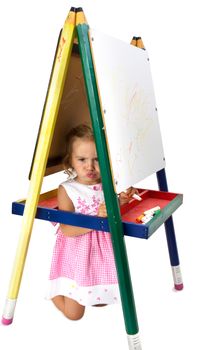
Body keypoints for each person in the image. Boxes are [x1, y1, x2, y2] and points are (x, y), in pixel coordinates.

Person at [46, 124, 139, 320]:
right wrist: (96, 218)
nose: (90, 166)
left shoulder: (107, 183)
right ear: (70, 161)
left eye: (97, 159)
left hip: (102, 253)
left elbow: (111, 209)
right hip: (77, 255)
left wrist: (123, 198)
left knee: (101, 301)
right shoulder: (67, 189)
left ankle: (82, 290)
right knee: (74, 314)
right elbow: (67, 229)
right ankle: (55, 293)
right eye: (82, 159)